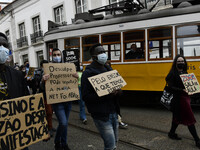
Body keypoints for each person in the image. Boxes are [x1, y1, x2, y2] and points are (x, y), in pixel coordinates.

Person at [81, 43, 120, 150]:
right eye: (100, 53)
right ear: (93, 57)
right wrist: (106, 94)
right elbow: (86, 96)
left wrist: (118, 92)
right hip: (101, 115)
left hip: (113, 112)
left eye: (103, 52)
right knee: (110, 145)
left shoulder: (109, 69)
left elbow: (119, 89)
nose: (103, 54)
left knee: (114, 143)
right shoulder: (87, 73)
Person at [43, 48, 78, 150]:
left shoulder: (68, 67)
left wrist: (76, 77)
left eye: (58, 54)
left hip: (68, 100)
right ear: (52, 56)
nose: (57, 56)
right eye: (55, 55)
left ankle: (64, 143)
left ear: (61, 56)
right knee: (63, 122)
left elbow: (75, 82)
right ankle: (57, 141)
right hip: (57, 102)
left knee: (65, 124)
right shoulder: (48, 69)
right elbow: (43, 86)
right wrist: (43, 79)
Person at [0, 32, 29, 150]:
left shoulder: (17, 74)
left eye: (5, 45)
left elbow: (26, 101)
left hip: (18, 133)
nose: (2, 48)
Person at [166, 54, 200, 148]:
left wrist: (192, 89)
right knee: (190, 119)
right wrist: (182, 90)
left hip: (185, 98)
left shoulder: (185, 72)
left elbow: (188, 85)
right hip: (179, 100)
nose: (181, 63)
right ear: (175, 63)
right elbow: (171, 87)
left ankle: (171, 133)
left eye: (182, 61)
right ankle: (197, 140)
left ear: (184, 62)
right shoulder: (172, 74)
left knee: (176, 117)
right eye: (179, 61)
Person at [105, 60, 128, 129]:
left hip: (114, 96)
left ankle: (119, 121)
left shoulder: (113, 74)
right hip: (108, 97)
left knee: (116, 108)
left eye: (108, 64)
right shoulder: (102, 75)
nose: (107, 66)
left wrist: (118, 91)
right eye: (106, 64)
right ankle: (117, 122)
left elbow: (119, 88)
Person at [39, 60, 55, 138]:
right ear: (41, 66)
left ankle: (50, 126)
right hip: (44, 97)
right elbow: (37, 87)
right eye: (44, 65)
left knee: (51, 112)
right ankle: (48, 128)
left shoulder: (50, 73)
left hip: (51, 96)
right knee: (48, 112)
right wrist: (42, 80)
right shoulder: (38, 74)